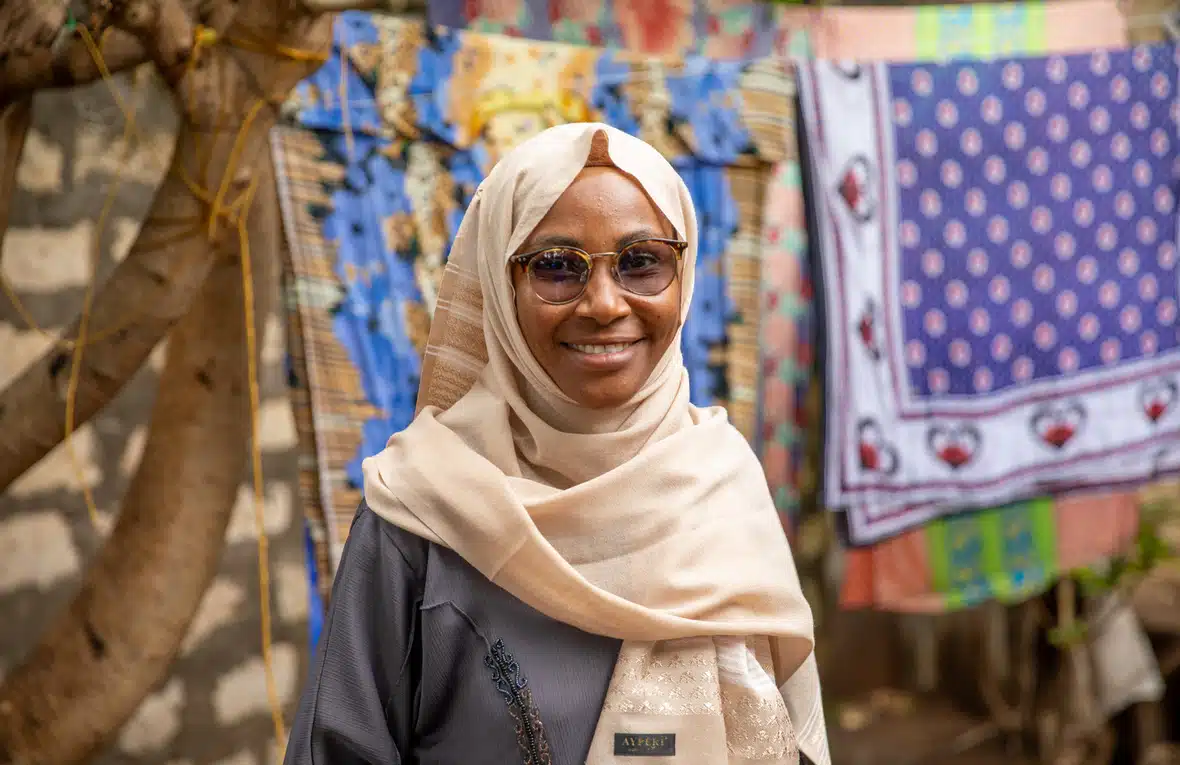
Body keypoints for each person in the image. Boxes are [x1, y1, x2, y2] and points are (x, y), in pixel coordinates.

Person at [284, 123, 828, 765]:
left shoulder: (724, 487)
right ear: (500, 285)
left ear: (683, 274)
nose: (603, 303)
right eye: (555, 267)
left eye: (642, 261)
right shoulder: (418, 511)